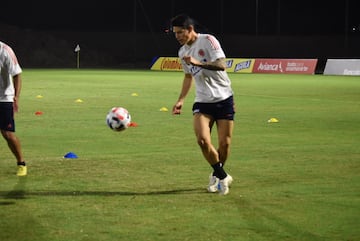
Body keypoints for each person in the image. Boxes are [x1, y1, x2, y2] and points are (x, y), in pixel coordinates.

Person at [170, 14, 235, 195]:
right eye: (175, 33)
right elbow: (188, 76)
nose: (178, 36)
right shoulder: (182, 52)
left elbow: (222, 64)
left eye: (180, 32)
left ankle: (216, 175)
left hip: (224, 99)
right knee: (202, 140)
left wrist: (199, 62)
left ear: (190, 29)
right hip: (202, 101)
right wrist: (181, 100)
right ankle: (223, 176)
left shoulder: (208, 41)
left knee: (224, 144)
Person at [0, 41, 27, 176]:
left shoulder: (5, 51)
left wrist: (16, 97)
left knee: (7, 134)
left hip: (4, 98)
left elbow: (17, 74)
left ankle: (21, 163)